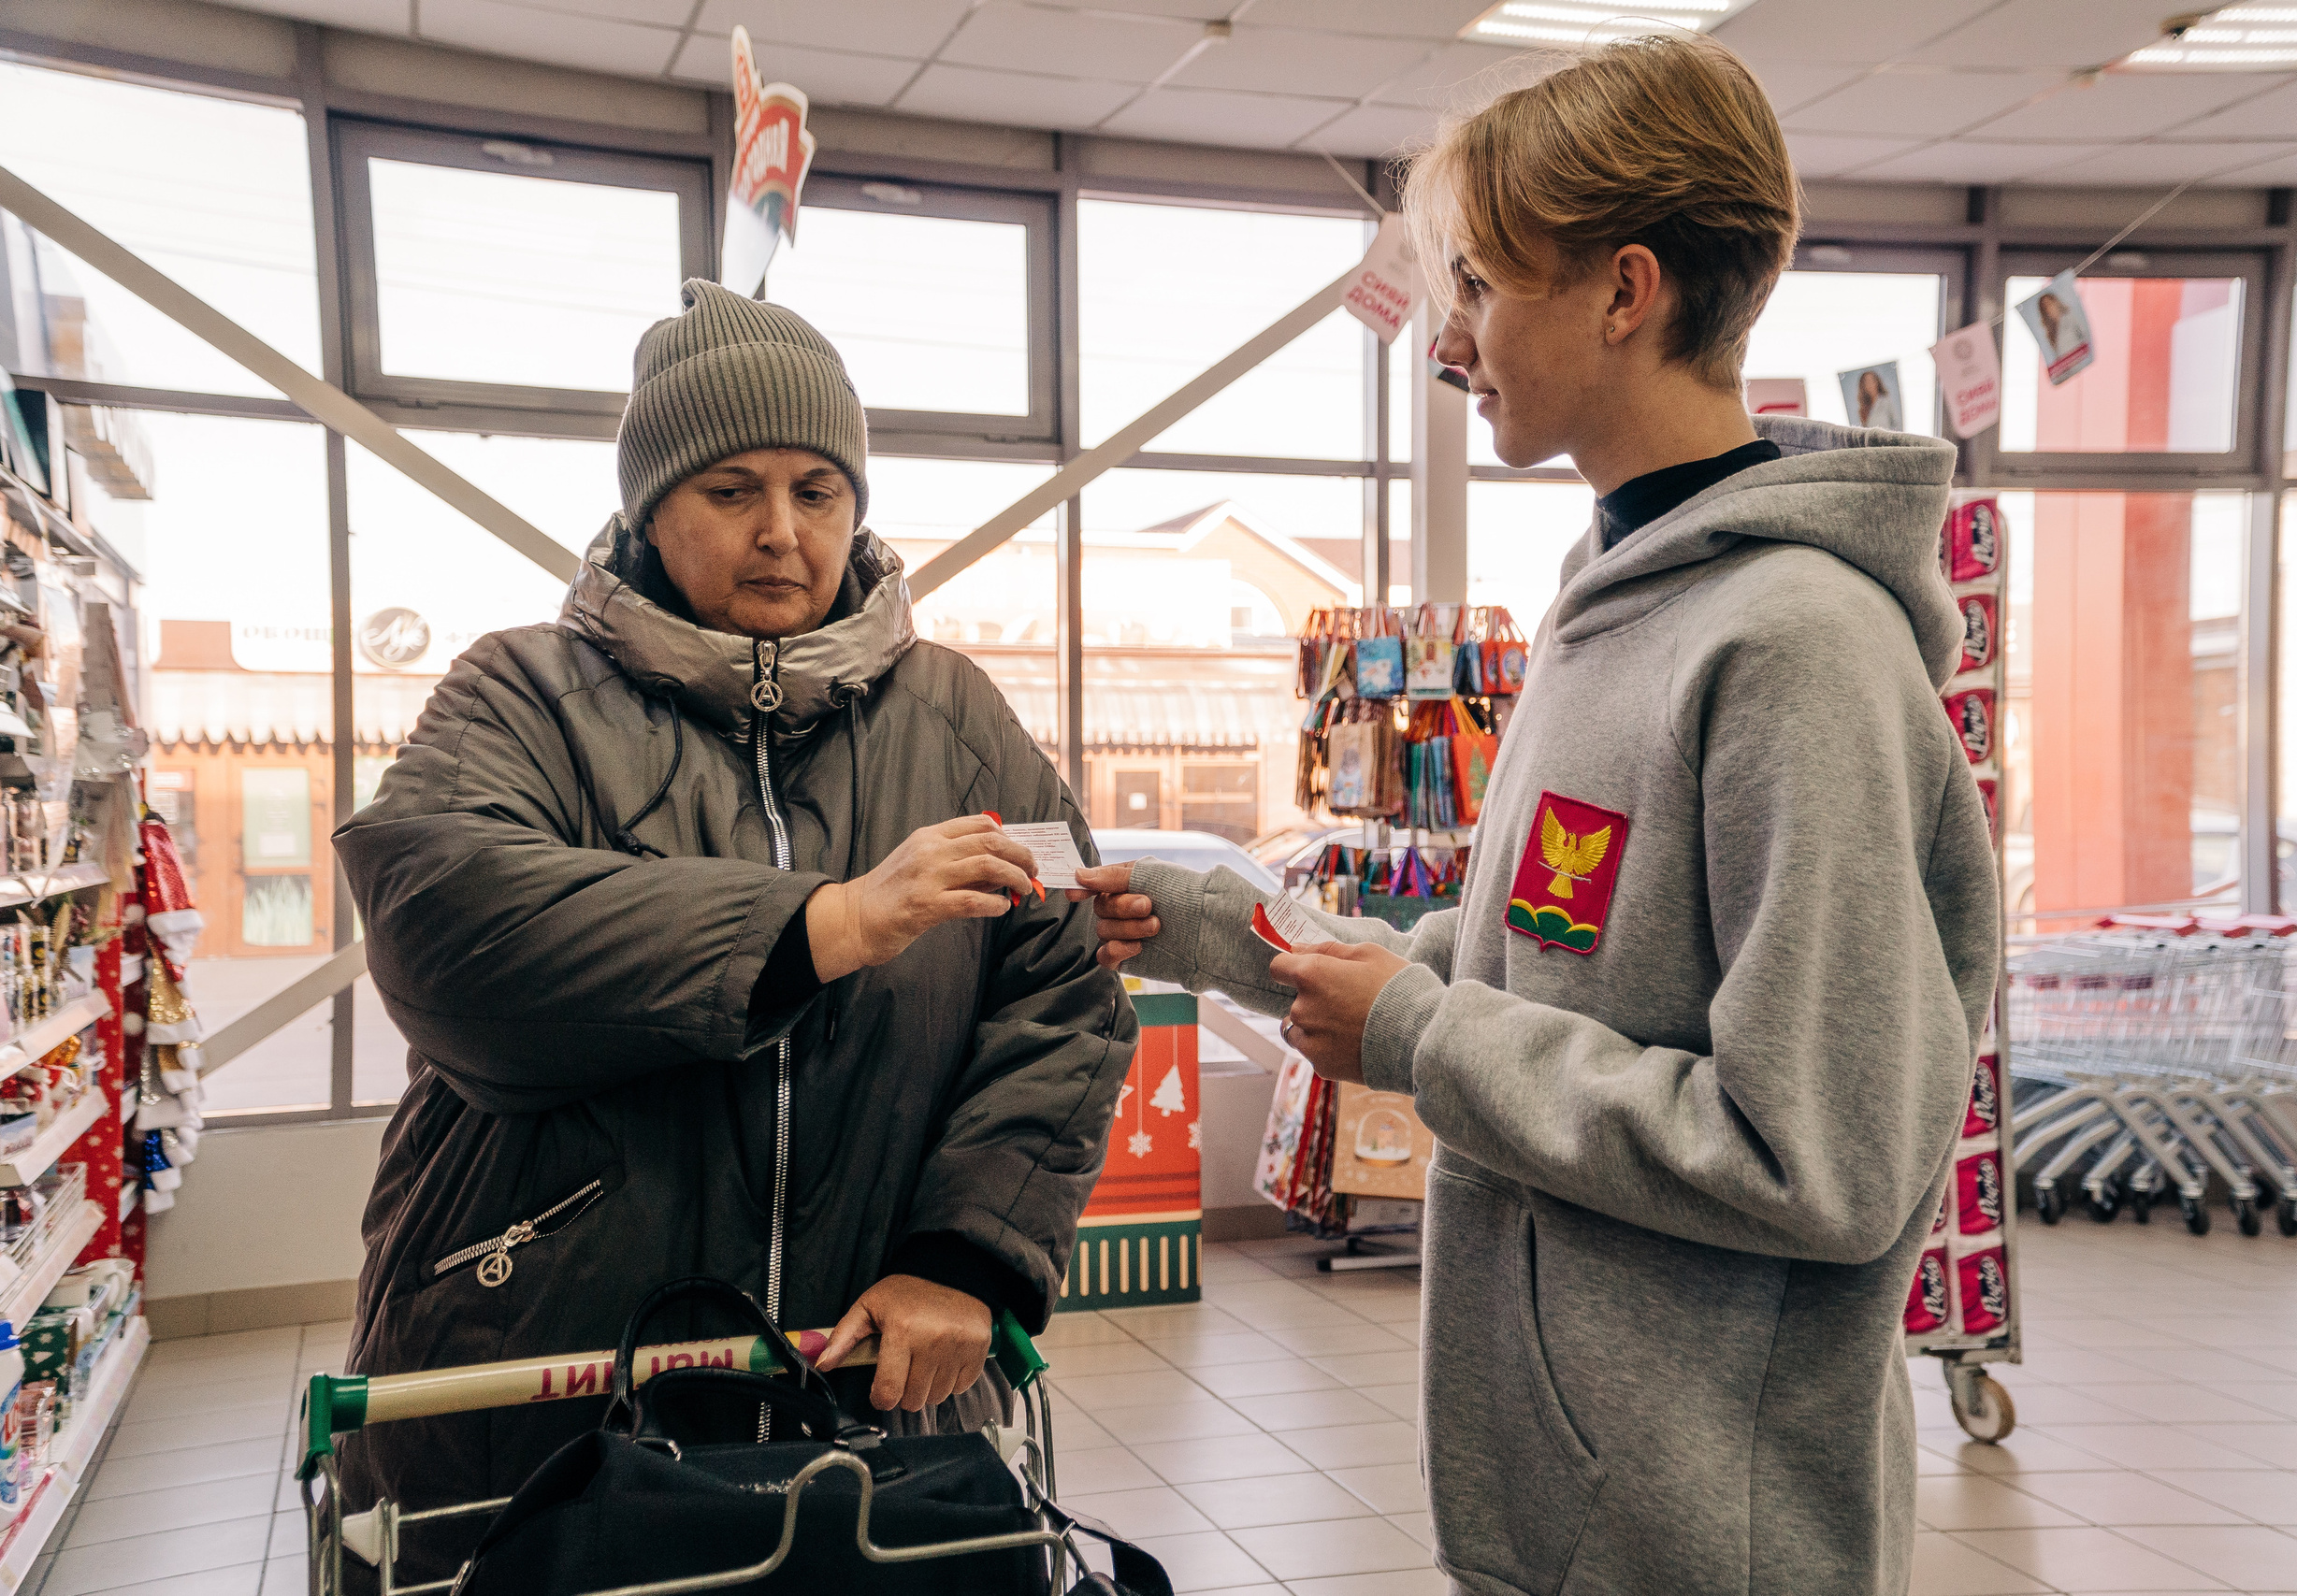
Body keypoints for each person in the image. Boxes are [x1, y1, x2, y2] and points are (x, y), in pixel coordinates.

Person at [1078, 33, 2001, 1596]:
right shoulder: (1614, 606)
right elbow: (1540, 953)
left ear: (1626, 291)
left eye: (1485, 287)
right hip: (1570, 1513)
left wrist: (1426, 1041)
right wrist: (1220, 933)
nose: (1452, 342)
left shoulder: (1792, 652)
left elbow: (1822, 1161)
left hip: (1713, 1537)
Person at [335, 280, 1137, 1582]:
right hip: (541, 1402)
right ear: (651, 509)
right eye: (730, 489)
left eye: (818, 489)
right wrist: (816, 926)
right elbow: (446, 925)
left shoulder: (956, 717)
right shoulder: (523, 692)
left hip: (865, 1408)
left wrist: (965, 1257)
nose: (782, 532)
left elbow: (1060, 988)